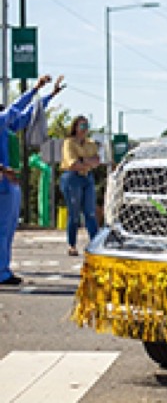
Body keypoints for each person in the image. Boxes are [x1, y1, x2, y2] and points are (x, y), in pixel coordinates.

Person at [0, 74, 65, 286]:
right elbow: (16, 108)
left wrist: (50, 95)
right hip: (3, 181)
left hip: (10, 183)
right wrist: (35, 88)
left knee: (8, 230)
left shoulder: (7, 128)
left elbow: (29, 114)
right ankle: (1, 272)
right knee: (2, 229)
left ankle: (4, 269)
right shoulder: (2, 121)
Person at [60, 116, 102, 256]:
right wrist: (87, 161)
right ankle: (72, 245)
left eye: (86, 126)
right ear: (75, 127)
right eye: (82, 126)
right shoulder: (69, 143)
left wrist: (83, 161)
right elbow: (72, 163)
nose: (85, 129)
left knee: (90, 212)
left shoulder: (91, 144)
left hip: (87, 177)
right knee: (74, 214)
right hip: (72, 178)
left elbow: (97, 161)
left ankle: (95, 245)